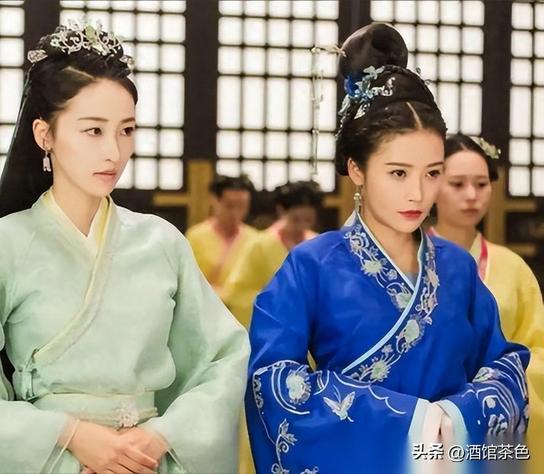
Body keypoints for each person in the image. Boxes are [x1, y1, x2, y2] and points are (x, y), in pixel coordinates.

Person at [0, 20, 249, 474]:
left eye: (126, 130)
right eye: (93, 130)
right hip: (49, 461)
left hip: (149, 462)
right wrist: (71, 435)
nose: (114, 152)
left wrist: (160, 436)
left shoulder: (161, 243)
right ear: (44, 135)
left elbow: (224, 358)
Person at [246, 23, 529, 474]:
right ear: (357, 169)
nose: (418, 194)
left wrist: (455, 420)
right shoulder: (311, 266)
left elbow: (503, 366)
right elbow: (272, 382)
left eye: (432, 173)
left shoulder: (456, 267)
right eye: (398, 173)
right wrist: (413, 425)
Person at [431, 133, 544, 474]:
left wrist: (496, 383)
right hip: (426, 417)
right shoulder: (406, 262)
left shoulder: (512, 267)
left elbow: (537, 347)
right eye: (457, 184)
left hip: (498, 417)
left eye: (481, 184)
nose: (471, 195)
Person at [221, 180, 322, 328]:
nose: (302, 226)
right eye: (296, 219)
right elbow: (237, 294)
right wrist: (275, 299)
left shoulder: (319, 245)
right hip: (271, 327)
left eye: (308, 220)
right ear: (281, 211)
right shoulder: (259, 245)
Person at [185, 174, 258, 296]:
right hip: (206, 302)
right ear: (215, 201)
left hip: (242, 306)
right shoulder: (195, 236)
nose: (235, 212)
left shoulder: (255, 239)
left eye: (242, 206)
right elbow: (188, 278)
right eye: (230, 206)